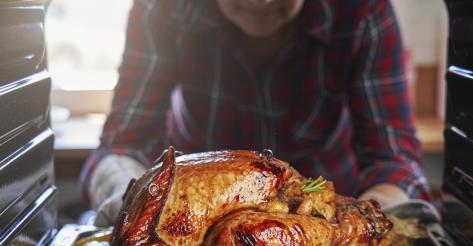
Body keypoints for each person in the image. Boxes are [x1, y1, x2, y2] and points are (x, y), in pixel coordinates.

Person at [81, 0, 431, 226]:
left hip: (329, 214)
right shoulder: (163, 8)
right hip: (188, 213)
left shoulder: (362, 10)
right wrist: (131, 202)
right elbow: (122, 147)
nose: (260, 1)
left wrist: (370, 220)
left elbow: (393, 159)